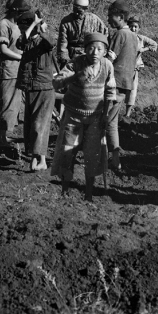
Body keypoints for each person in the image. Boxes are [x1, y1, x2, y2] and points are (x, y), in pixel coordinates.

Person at [51, 32, 116, 202]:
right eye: (91, 48)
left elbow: (110, 91)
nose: (95, 52)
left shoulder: (107, 66)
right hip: (73, 117)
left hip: (95, 118)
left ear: (104, 51)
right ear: (85, 50)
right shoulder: (75, 64)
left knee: (92, 156)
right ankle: (64, 191)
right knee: (67, 153)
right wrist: (75, 77)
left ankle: (88, 194)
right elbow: (57, 83)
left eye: (99, 49)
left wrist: (106, 115)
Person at [15, 10, 56, 172]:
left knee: (40, 125)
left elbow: (51, 42)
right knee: (31, 126)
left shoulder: (44, 40)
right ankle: (34, 159)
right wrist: (33, 24)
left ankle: (42, 160)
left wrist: (39, 26)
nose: (20, 30)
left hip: (45, 88)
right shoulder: (25, 40)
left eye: (22, 26)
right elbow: (21, 42)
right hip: (31, 87)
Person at [0, 0, 29, 149]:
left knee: (14, 104)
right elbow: (3, 49)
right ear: (14, 12)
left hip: (16, 69)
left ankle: (5, 135)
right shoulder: (3, 25)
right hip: (7, 70)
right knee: (8, 104)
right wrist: (22, 57)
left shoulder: (17, 25)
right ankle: (2, 139)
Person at [105, 0, 138, 171]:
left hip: (113, 84)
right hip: (125, 85)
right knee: (111, 121)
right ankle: (113, 158)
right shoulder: (134, 37)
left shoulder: (119, 35)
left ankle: (105, 157)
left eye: (111, 15)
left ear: (120, 17)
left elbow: (109, 60)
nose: (109, 19)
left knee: (104, 121)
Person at [56, 0, 108, 68]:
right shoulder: (66, 21)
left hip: (89, 56)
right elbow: (62, 43)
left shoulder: (95, 20)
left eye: (80, 11)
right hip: (71, 57)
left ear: (85, 9)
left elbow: (104, 36)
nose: (77, 14)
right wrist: (66, 61)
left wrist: (99, 55)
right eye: (75, 10)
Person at [126, 15, 157, 119]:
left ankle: (127, 113)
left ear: (139, 28)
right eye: (131, 26)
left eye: (135, 27)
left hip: (134, 68)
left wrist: (144, 49)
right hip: (123, 68)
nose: (133, 29)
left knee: (132, 90)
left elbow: (154, 44)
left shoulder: (141, 39)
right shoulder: (124, 37)